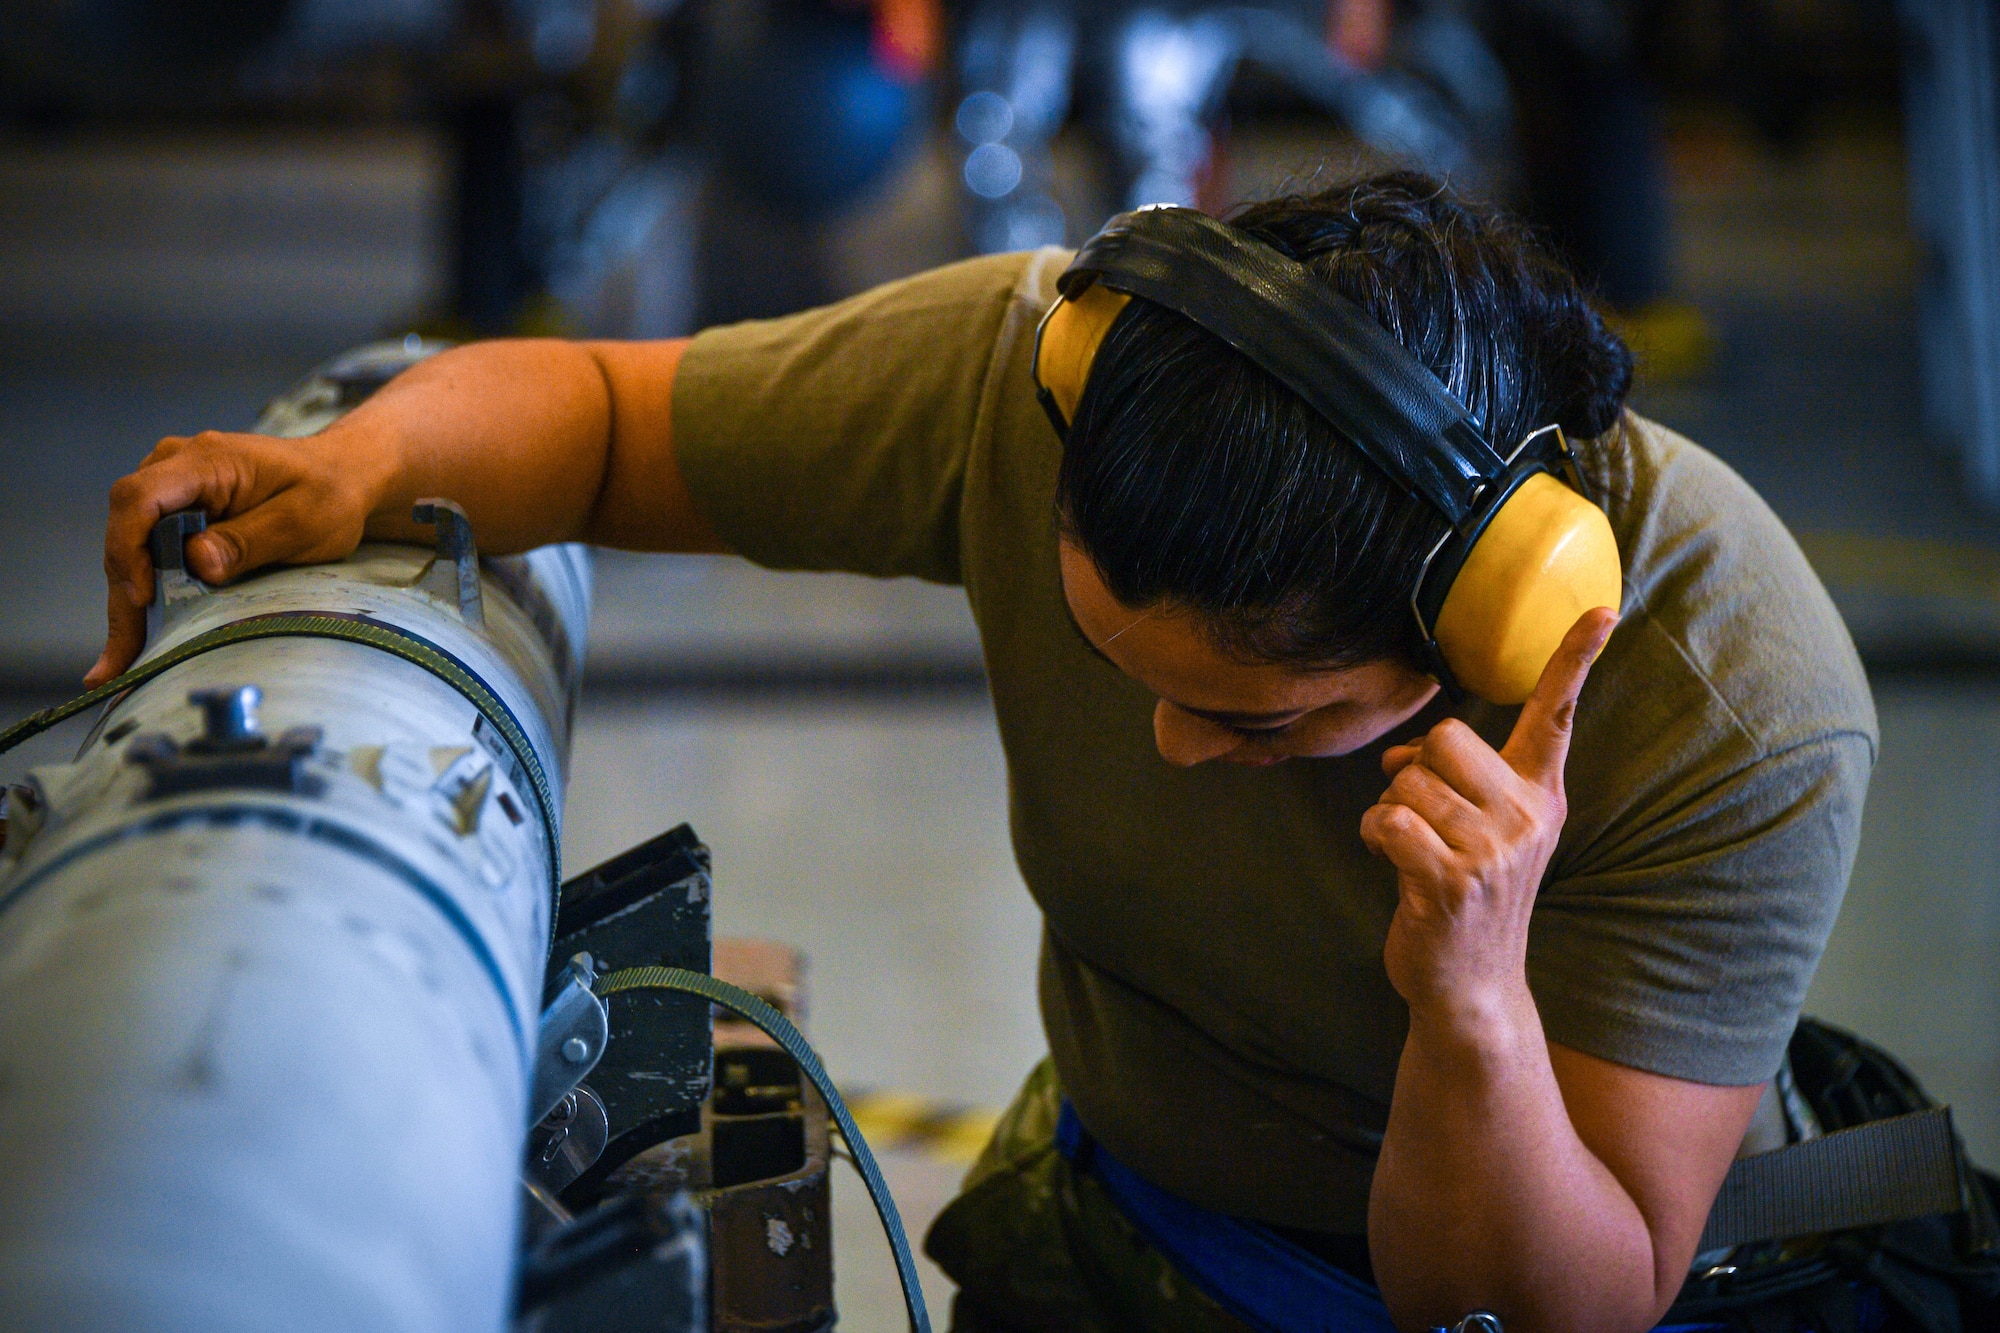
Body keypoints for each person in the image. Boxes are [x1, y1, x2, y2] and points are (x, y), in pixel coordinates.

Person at [92, 172, 1874, 1333]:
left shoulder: (1732, 698)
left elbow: (1547, 1310)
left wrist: (1471, 1004)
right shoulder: (1036, 385)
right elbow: (617, 415)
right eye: (1124, 666)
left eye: (1258, 719)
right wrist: (363, 459)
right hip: (1124, 1211)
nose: (1167, 747)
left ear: (1480, 622)